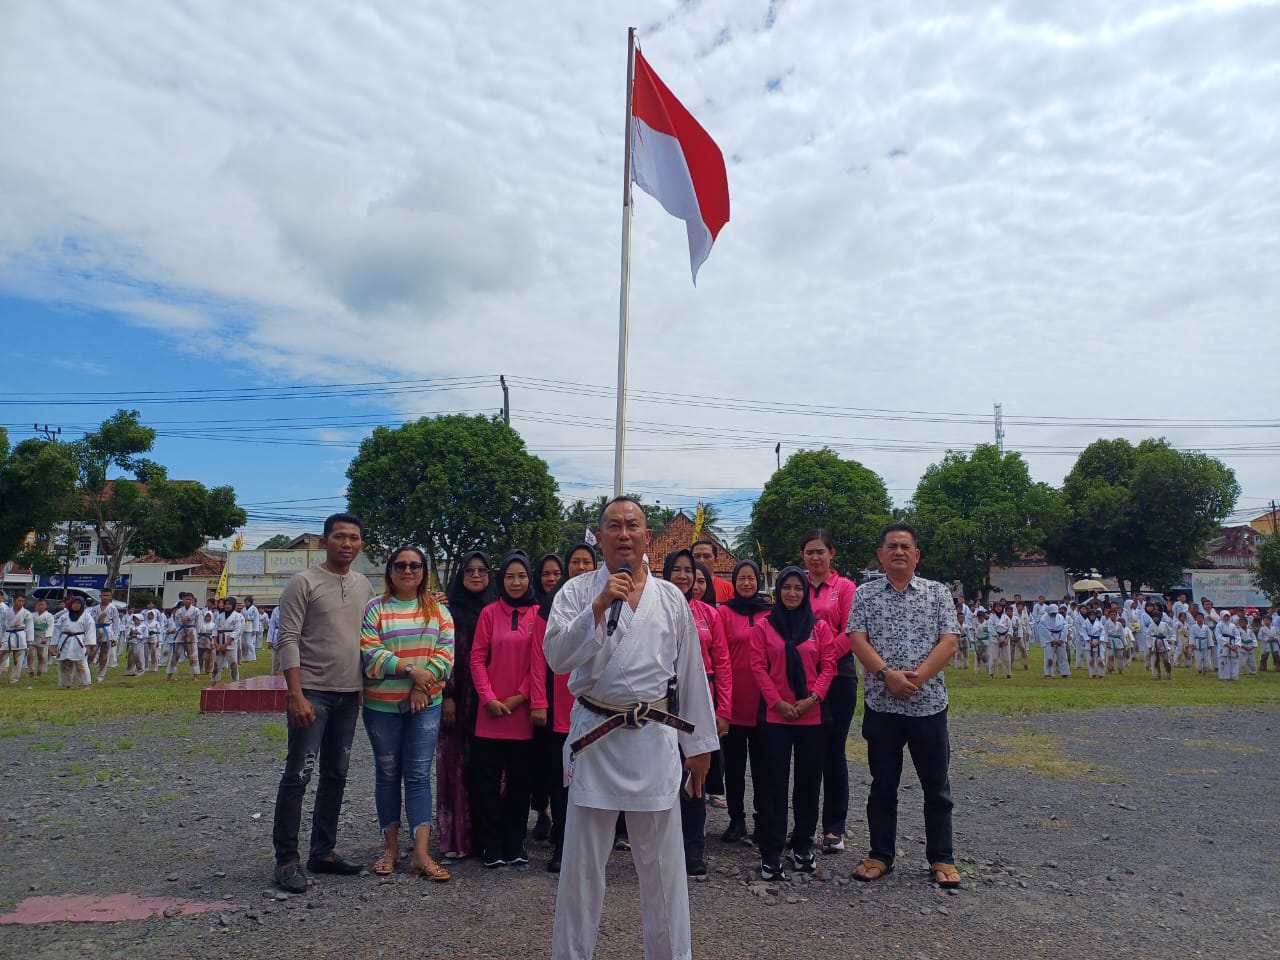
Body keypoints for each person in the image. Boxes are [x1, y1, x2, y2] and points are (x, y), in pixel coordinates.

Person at [545, 496, 718, 960]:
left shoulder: (670, 597)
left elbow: (691, 671)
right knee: (582, 868)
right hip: (595, 738)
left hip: (653, 737)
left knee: (663, 868)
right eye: (614, 526)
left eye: (633, 525)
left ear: (647, 537)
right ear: (599, 537)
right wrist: (599, 607)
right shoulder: (577, 592)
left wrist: (698, 744)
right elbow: (558, 659)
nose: (624, 534)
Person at [847, 522, 961, 889]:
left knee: (936, 786)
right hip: (883, 705)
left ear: (916, 555)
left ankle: (942, 858)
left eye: (905, 546)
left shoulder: (938, 593)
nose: (898, 551)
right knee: (883, 785)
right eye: (891, 546)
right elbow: (856, 639)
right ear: (880, 556)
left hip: (928, 705)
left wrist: (917, 678)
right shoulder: (865, 595)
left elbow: (949, 642)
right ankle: (880, 854)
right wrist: (887, 675)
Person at [271, 513, 375, 894]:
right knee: (299, 775)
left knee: (336, 775)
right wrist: (295, 693)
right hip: (312, 692)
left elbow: (378, 628)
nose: (347, 544)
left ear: (361, 544)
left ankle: (323, 851)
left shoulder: (363, 585)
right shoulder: (304, 582)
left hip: (349, 695)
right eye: (340, 537)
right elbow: (289, 638)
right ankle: (286, 859)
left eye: (354, 538)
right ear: (324, 540)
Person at [360, 545, 455, 881]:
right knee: (387, 775)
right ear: (390, 570)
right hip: (380, 707)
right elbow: (371, 655)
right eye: (400, 565)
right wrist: (412, 670)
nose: (408, 571)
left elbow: (445, 655)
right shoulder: (375, 609)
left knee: (417, 777)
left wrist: (421, 686)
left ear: (423, 571)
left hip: (425, 706)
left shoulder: (438, 611)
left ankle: (420, 854)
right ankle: (389, 848)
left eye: (415, 565)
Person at [750, 566, 840, 880]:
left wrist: (812, 698)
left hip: (813, 716)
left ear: (805, 593)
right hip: (775, 716)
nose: (792, 593)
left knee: (807, 783)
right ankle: (771, 852)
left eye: (798, 588)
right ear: (777, 592)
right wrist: (777, 702)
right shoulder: (764, 627)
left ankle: (803, 845)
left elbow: (828, 666)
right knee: (773, 784)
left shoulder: (820, 628)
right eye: (786, 587)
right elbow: (758, 666)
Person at [470, 551, 545, 868]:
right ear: (502, 580)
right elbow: (477, 658)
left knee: (519, 783)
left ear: (530, 579)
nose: (516, 582)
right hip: (489, 714)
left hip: (521, 714)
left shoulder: (539, 614)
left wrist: (517, 698)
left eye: (522, 576)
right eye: (511, 576)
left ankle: (515, 842)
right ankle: (490, 844)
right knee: (486, 783)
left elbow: (539, 663)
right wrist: (488, 698)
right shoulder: (489, 612)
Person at [663, 549, 731, 879]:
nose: (682, 576)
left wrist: (722, 711)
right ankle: (664, 848)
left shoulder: (709, 614)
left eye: (688, 570)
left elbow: (723, 664)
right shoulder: (654, 611)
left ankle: (693, 849)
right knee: (664, 776)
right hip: (661, 706)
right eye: (675, 569)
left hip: (699, 702)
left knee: (696, 777)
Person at [534, 543, 598, 873]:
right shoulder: (551, 604)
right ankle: (562, 843)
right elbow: (537, 656)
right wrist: (539, 701)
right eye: (575, 562)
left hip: (599, 706)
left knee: (594, 779)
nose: (581, 567)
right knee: (561, 779)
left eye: (587, 562)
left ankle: (592, 845)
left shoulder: (609, 598)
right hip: (558, 702)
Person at [799, 528, 858, 854]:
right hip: (802, 679)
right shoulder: (796, 585)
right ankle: (803, 825)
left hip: (839, 678)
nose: (815, 557)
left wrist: (823, 659)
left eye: (821, 551)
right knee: (807, 753)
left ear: (831, 553)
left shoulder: (846, 588)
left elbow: (850, 631)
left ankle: (834, 828)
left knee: (833, 752)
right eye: (809, 552)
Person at [437, 549, 495, 861]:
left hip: (492, 700)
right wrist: (447, 695)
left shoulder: (498, 608)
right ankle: (458, 836)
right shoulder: (447, 612)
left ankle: (488, 835)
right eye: (469, 570)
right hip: (457, 699)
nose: (475, 575)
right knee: (457, 764)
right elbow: (441, 654)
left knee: (489, 768)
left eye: (482, 570)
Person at [716, 559, 771, 845]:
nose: (747, 583)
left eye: (751, 578)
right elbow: (720, 656)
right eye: (742, 579)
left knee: (764, 768)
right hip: (734, 701)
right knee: (734, 767)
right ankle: (736, 819)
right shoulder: (724, 612)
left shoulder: (771, 612)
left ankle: (763, 819)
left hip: (765, 703)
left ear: (758, 581)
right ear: (734, 582)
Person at [529, 553, 566, 845]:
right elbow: (538, 657)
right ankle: (546, 816)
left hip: (587, 702)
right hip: (551, 700)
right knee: (548, 768)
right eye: (546, 573)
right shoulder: (541, 607)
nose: (552, 579)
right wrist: (538, 700)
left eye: (557, 573)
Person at [54, 594, 94, 689]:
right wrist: (54, 645)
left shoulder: (87, 617)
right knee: (65, 663)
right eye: (74, 603)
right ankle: (66, 684)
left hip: (79, 641)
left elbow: (90, 631)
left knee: (81, 664)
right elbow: (57, 630)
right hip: (65, 640)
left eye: (78, 603)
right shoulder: (64, 616)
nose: (76, 605)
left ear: (82, 604)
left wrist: (89, 646)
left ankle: (87, 684)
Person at [88, 589, 121, 683]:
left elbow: (116, 624)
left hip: (107, 632)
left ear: (110, 597)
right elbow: (91, 621)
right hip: (95, 632)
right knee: (91, 654)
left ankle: (101, 675)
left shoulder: (113, 608)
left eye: (107, 595)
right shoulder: (94, 608)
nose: (105, 597)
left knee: (104, 656)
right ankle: (88, 672)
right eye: (103, 595)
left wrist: (115, 637)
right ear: (100, 596)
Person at [691, 539, 735, 603]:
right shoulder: (684, 587)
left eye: (707, 556)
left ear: (716, 561)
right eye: (697, 556)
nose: (701, 561)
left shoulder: (728, 588)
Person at [213, 596, 244, 684]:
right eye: (226, 604)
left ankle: (235, 681)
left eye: (229, 604)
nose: (227, 606)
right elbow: (215, 629)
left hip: (230, 642)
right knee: (217, 663)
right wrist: (216, 643)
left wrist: (226, 643)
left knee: (233, 663)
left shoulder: (237, 616)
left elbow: (237, 631)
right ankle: (214, 680)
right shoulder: (220, 615)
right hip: (219, 640)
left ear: (233, 606)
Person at [3, 594, 33, 683]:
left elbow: (29, 627)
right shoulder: (7, 611)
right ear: (14, 601)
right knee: (1, 656)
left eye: (23, 601)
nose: (21, 603)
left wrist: (29, 640)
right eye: (19, 600)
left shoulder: (26, 613)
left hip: (20, 635)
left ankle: (14, 678)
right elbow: (1, 625)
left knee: (18, 659)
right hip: (7, 634)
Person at [170, 594, 201, 681]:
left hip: (191, 631)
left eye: (190, 599)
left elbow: (198, 624)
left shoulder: (196, 610)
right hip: (181, 631)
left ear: (192, 601)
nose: (188, 601)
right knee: (175, 654)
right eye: (186, 599)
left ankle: (196, 675)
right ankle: (170, 674)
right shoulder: (179, 611)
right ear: (183, 600)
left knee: (193, 654)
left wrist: (196, 634)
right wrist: (176, 630)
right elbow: (176, 623)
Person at [1037, 605, 1070, 678]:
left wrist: (1061, 639)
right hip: (1049, 639)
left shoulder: (1060, 617)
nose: (1054, 614)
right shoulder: (1044, 618)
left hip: (1060, 637)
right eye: (1052, 613)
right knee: (1049, 657)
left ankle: (1064, 672)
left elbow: (1065, 627)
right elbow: (1043, 629)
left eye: (1055, 612)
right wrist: (1051, 639)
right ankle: (1048, 673)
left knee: (1063, 656)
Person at [29, 599, 54, 678]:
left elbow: (50, 627)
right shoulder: (32, 615)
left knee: (42, 655)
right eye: (39, 605)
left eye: (42, 605)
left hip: (43, 635)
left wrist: (46, 637)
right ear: (36, 605)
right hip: (32, 635)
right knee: (30, 655)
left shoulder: (49, 616)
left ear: (46, 606)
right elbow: (29, 626)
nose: (40, 606)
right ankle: (31, 671)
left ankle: (40, 671)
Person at [241, 596, 260, 662]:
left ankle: (252, 657)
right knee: (243, 642)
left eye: (248, 602)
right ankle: (244, 657)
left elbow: (256, 619)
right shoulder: (243, 609)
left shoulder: (254, 609)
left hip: (251, 626)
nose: (247, 603)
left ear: (251, 602)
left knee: (249, 643)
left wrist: (255, 629)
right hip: (244, 626)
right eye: (246, 602)